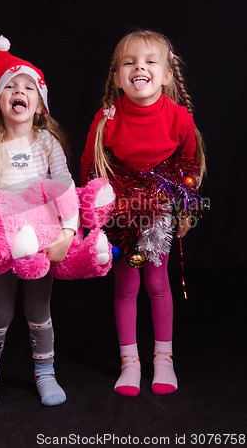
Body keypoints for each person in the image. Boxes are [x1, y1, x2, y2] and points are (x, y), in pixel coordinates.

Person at [80, 29, 206, 397]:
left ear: (166, 74)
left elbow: (189, 166)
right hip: (121, 209)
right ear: (118, 76)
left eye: (150, 61)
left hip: (160, 208)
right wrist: (95, 214)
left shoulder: (179, 117)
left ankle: (163, 358)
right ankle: (130, 362)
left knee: (156, 282)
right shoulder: (108, 117)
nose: (140, 68)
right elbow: (89, 165)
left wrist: (186, 210)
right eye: (129, 62)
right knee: (126, 286)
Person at [0, 36, 78, 408]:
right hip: (4, 241)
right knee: (0, 311)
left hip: (43, 238)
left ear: (39, 104)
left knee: (38, 309)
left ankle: (45, 374)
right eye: (11, 86)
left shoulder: (47, 143)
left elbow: (65, 187)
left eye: (29, 86)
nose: (20, 91)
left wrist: (66, 232)